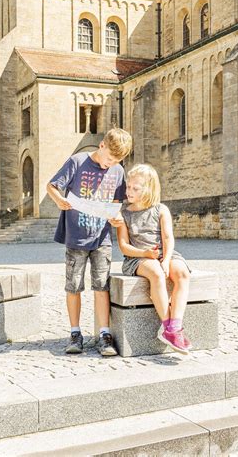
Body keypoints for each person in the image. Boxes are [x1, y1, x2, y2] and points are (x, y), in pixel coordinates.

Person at [47, 128, 132, 357]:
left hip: (102, 237)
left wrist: (116, 217)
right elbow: (52, 186)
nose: (109, 164)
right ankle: (75, 333)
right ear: (101, 145)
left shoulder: (118, 171)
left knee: (101, 286)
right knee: (73, 286)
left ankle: (104, 335)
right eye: (108, 159)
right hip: (76, 236)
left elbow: (117, 202)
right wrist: (60, 200)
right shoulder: (77, 161)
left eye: (116, 161)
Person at [115, 163, 192, 354]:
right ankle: (167, 326)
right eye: (128, 186)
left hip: (163, 253)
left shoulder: (161, 209)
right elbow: (124, 246)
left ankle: (175, 325)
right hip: (137, 258)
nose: (129, 191)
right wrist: (146, 254)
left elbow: (167, 238)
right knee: (157, 273)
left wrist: (166, 260)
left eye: (135, 188)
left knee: (181, 272)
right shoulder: (123, 213)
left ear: (148, 189)